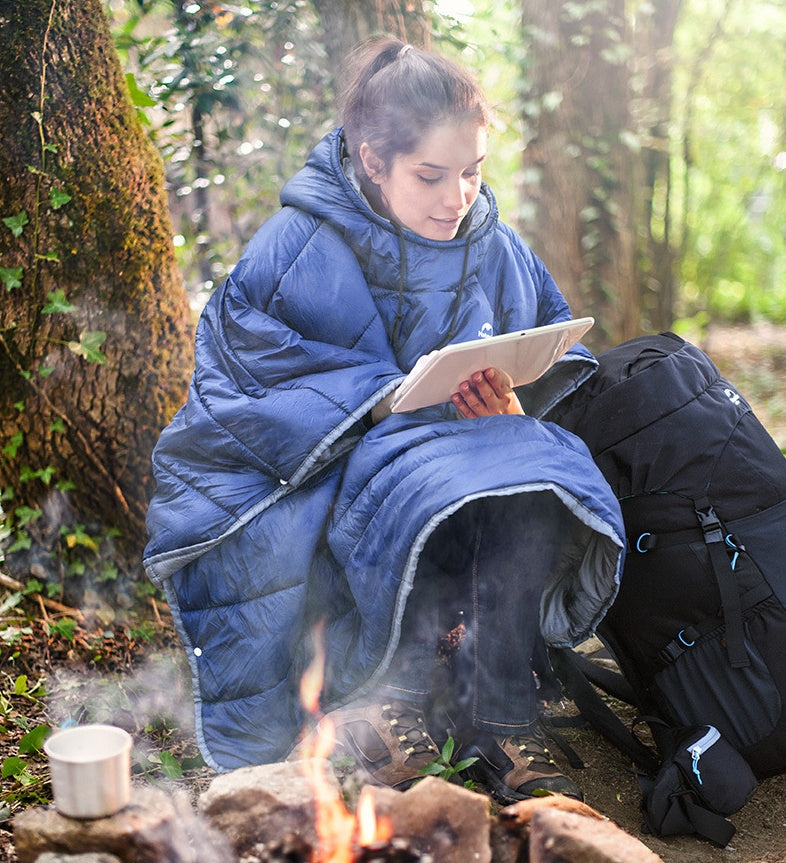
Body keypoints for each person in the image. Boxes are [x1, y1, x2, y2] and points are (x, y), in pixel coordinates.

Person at [143, 36, 625, 805]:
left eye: (472, 173)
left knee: (540, 467)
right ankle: (385, 703)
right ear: (372, 161)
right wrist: (372, 401)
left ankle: (500, 715)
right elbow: (241, 381)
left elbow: (539, 356)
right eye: (430, 176)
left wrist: (506, 406)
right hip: (330, 478)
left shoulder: (491, 244)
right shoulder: (295, 244)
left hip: (449, 468)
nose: (456, 197)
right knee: (423, 484)